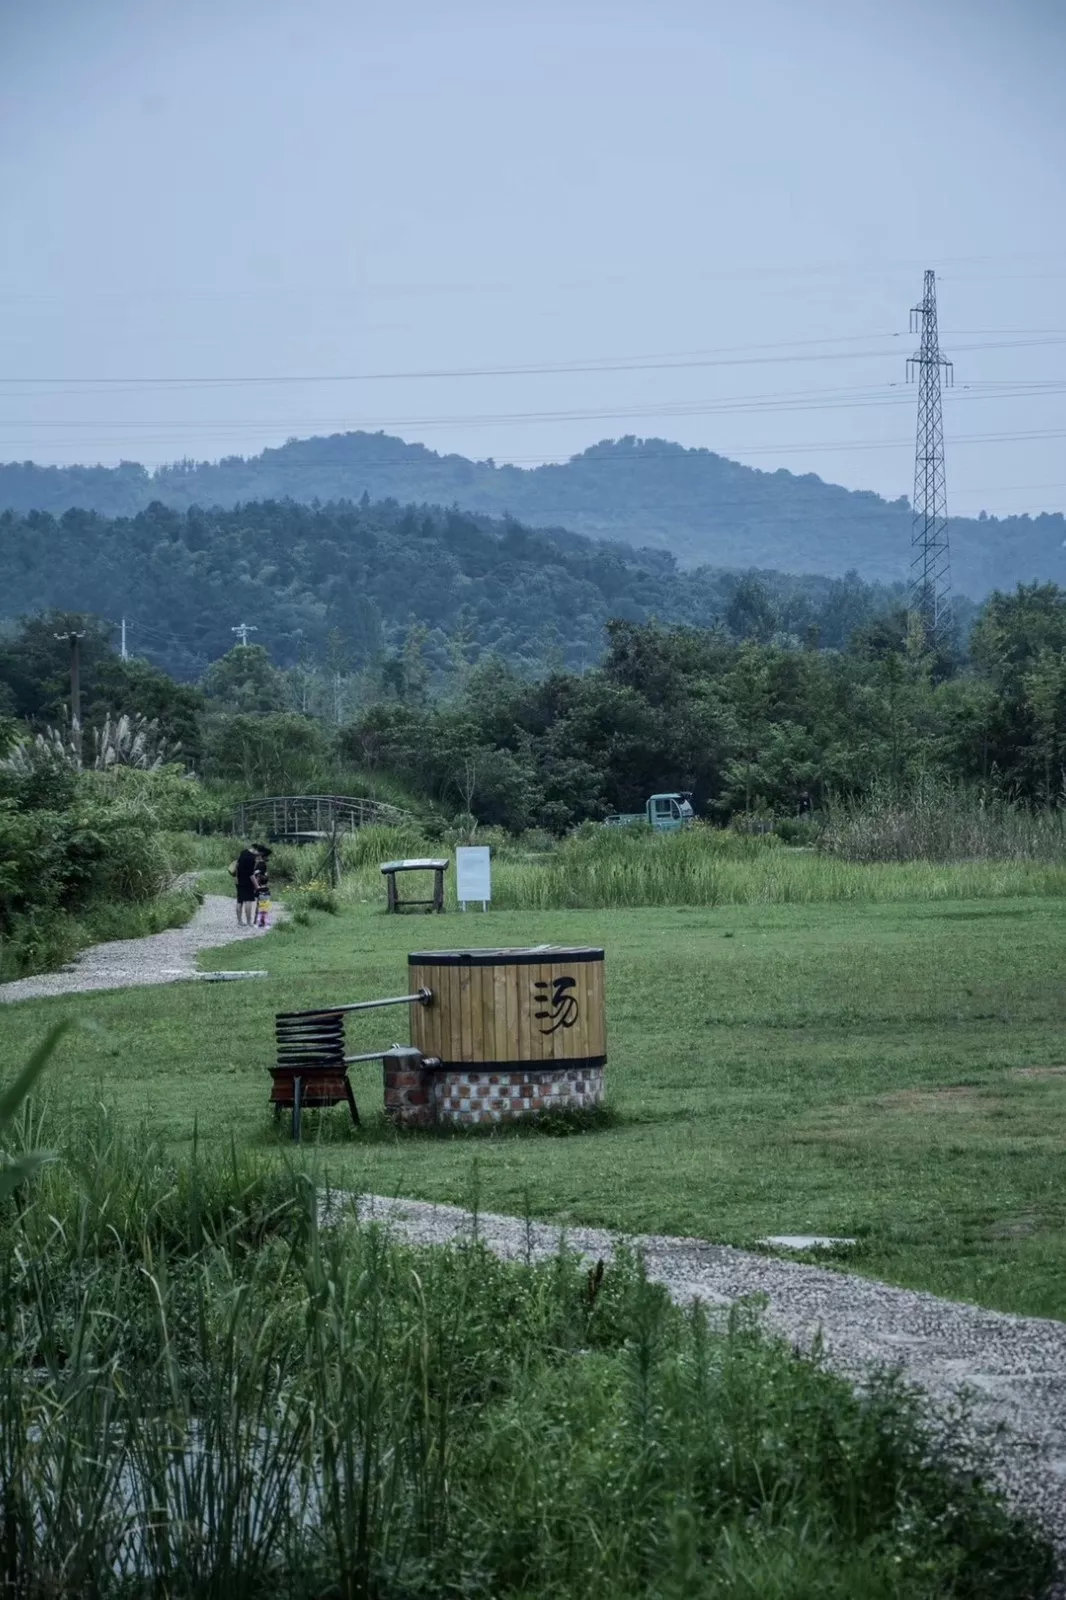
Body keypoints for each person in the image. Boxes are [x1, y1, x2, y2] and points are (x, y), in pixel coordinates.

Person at [229, 842, 260, 926]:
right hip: (247, 882)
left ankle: (239, 921)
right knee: (248, 901)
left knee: (240, 900)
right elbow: (251, 874)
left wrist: (236, 878)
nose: (259, 854)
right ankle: (249, 922)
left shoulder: (243, 852)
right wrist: (257, 886)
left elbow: (237, 865)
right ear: (255, 849)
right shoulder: (251, 858)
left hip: (239, 879)